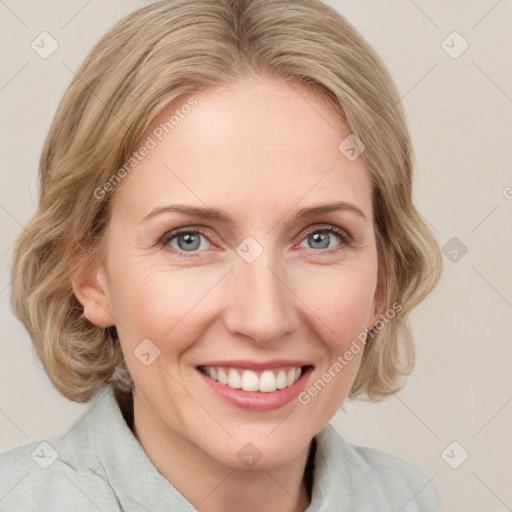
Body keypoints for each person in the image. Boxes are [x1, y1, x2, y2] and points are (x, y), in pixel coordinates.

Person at [0, 0, 443, 510]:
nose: (263, 319)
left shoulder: (408, 498)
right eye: (188, 239)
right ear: (91, 277)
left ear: (383, 276)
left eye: (320, 237)